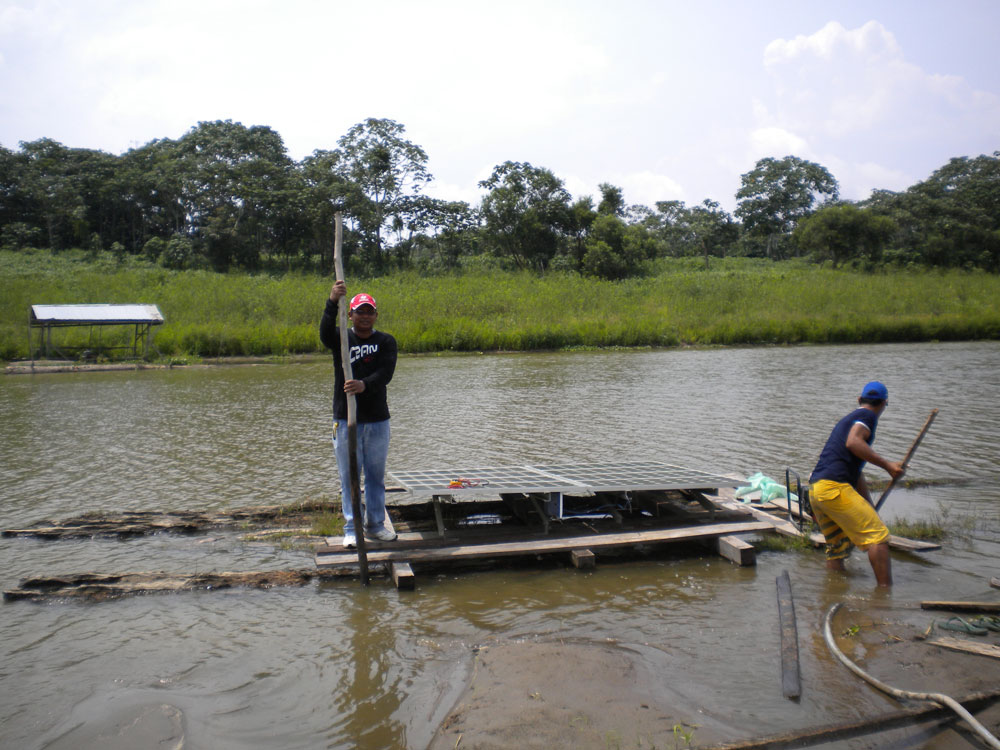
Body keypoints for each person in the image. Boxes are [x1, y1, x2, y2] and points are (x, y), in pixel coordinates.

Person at [319, 281, 398, 548]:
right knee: (350, 475)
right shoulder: (342, 338)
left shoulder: (386, 341)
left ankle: (375, 525)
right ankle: (352, 529)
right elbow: (323, 333)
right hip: (345, 420)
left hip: (377, 420)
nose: (364, 316)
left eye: (369, 312)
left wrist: (364, 385)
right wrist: (332, 301)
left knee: (375, 476)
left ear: (375, 315)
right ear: (350, 315)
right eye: (359, 312)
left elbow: (385, 374)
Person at [809, 381, 905, 587]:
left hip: (818, 490)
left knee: (837, 549)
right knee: (878, 538)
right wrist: (888, 466)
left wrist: (869, 507)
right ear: (884, 404)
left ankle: (832, 593)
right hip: (834, 488)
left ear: (859, 399)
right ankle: (884, 596)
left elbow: (855, 473)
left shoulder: (848, 419)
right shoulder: (867, 416)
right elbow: (853, 443)